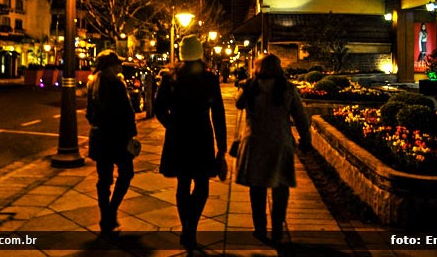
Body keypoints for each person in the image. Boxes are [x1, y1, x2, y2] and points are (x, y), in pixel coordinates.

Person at [154, 35, 227, 249]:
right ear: (200, 54)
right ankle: (190, 227)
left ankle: (187, 226)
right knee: (202, 185)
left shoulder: (170, 78)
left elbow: (159, 108)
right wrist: (221, 146)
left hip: (178, 136)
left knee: (183, 183)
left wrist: (171, 124)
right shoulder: (209, 79)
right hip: (201, 136)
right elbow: (218, 113)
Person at [234, 53, 312, 247]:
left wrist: (245, 84)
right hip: (280, 142)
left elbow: (238, 103)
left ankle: (260, 227)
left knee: (257, 188)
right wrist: (305, 139)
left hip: (255, 142)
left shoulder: (251, 87)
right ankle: (277, 226)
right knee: (280, 186)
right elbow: (301, 117)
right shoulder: (286, 88)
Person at [86, 50, 137, 234]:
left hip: (100, 137)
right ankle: (111, 211)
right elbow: (127, 113)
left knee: (104, 179)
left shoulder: (93, 84)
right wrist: (132, 135)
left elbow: (89, 114)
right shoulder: (117, 84)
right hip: (118, 138)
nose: (120, 66)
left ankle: (104, 216)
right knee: (126, 174)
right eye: (117, 63)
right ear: (110, 67)